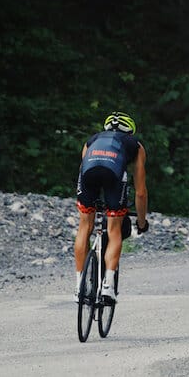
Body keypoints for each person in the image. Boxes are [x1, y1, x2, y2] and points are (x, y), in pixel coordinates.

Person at [74, 111, 149, 303]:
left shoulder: (91, 141)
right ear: (130, 131)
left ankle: (79, 286)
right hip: (114, 176)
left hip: (88, 175)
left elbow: (84, 170)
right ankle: (107, 285)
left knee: (84, 227)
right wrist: (141, 222)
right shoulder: (136, 145)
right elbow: (141, 192)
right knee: (114, 230)